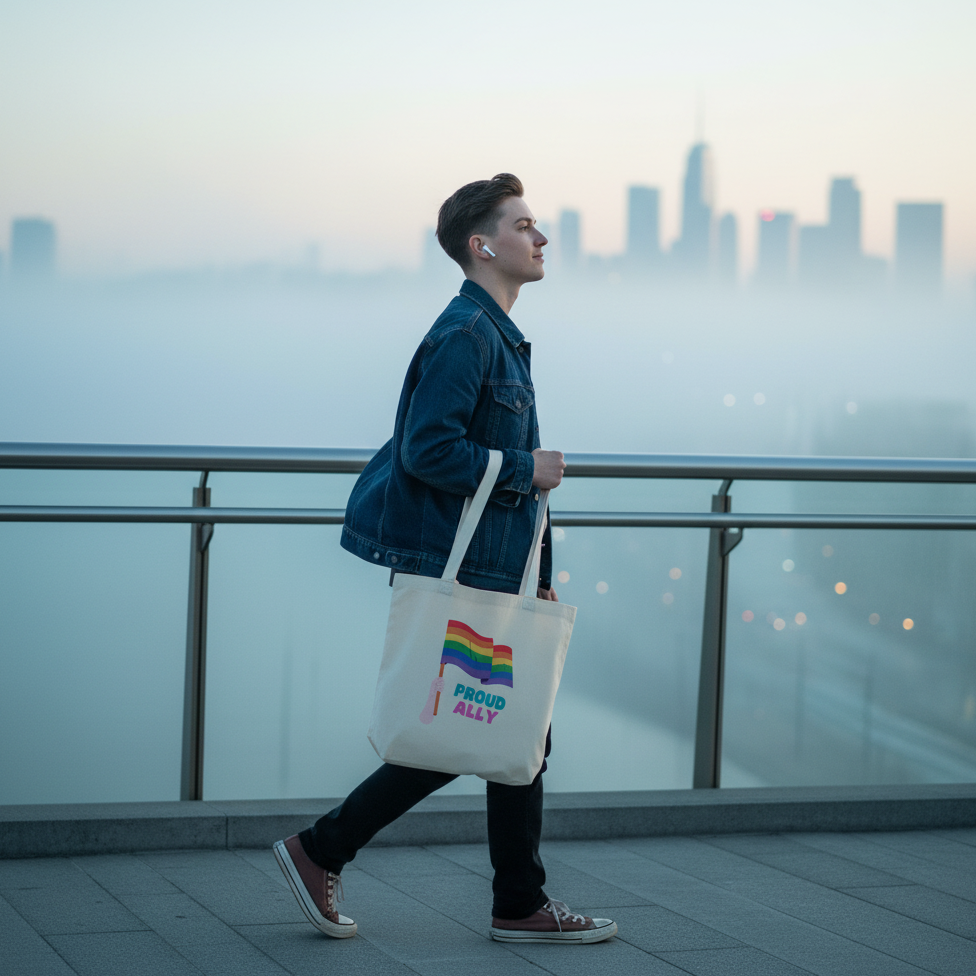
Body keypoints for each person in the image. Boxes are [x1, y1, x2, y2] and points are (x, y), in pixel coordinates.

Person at [273, 174, 617, 945]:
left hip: (492, 566)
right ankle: (331, 850)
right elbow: (431, 451)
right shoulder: (468, 335)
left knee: (508, 728)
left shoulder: (490, 331)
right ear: (482, 244)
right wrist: (525, 468)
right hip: (468, 571)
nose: (541, 237)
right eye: (524, 224)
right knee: (488, 728)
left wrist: (531, 566)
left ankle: (511, 899)